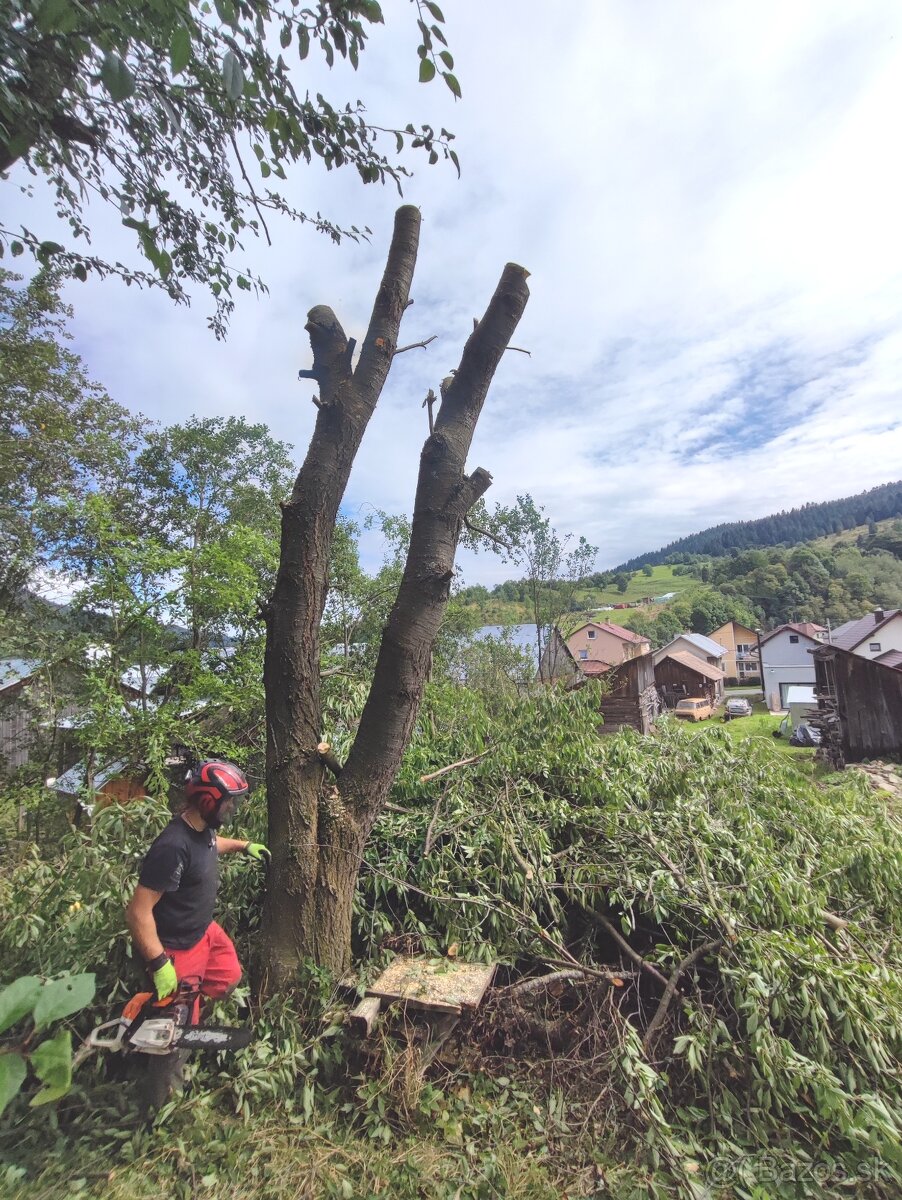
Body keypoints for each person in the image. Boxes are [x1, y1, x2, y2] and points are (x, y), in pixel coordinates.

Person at [125, 759, 269, 1010]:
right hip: (177, 945)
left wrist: (243, 846)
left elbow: (211, 844)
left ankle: (195, 996)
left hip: (203, 930)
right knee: (174, 1025)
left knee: (229, 976)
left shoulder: (202, 828)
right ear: (208, 802)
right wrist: (159, 963)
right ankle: (178, 1012)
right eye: (228, 801)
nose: (231, 807)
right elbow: (138, 912)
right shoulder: (172, 847)